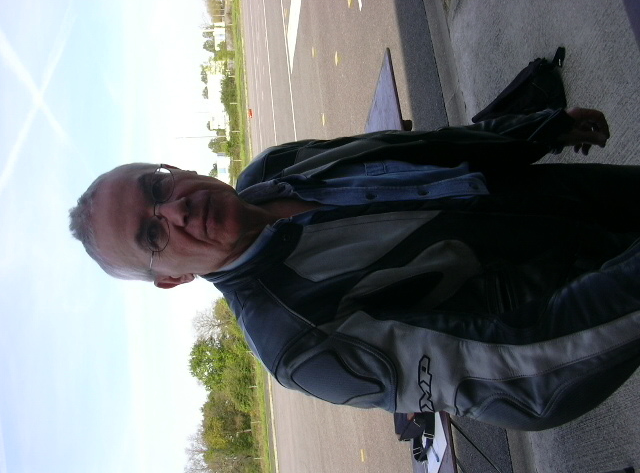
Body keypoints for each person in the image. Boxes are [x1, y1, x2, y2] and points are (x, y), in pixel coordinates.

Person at [69, 108, 640, 431]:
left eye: (157, 186)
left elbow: (421, 150)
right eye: (153, 235)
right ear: (172, 278)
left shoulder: (275, 167)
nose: (175, 210)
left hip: (562, 195)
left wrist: (531, 131)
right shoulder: (297, 342)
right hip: (592, 286)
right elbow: (519, 372)